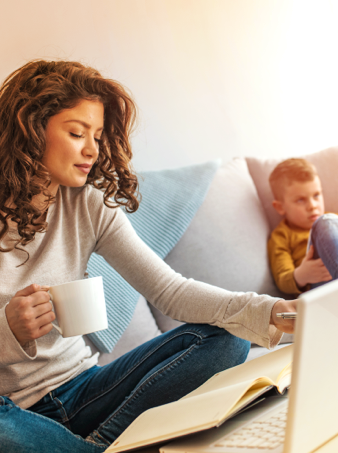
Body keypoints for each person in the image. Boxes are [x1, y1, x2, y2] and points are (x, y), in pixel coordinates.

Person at [0, 60, 296, 453]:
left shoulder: (88, 205)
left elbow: (169, 290)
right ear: (31, 129)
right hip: (13, 411)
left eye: (99, 135)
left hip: (87, 388)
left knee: (230, 333)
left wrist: (271, 311)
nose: (92, 149)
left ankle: (105, 445)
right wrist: (9, 329)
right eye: (76, 133)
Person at [268, 158, 337, 295]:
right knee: (325, 223)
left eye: (316, 195)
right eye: (301, 200)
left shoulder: (332, 218)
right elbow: (282, 278)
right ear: (280, 207)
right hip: (321, 288)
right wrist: (302, 275)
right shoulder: (282, 236)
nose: (312, 205)